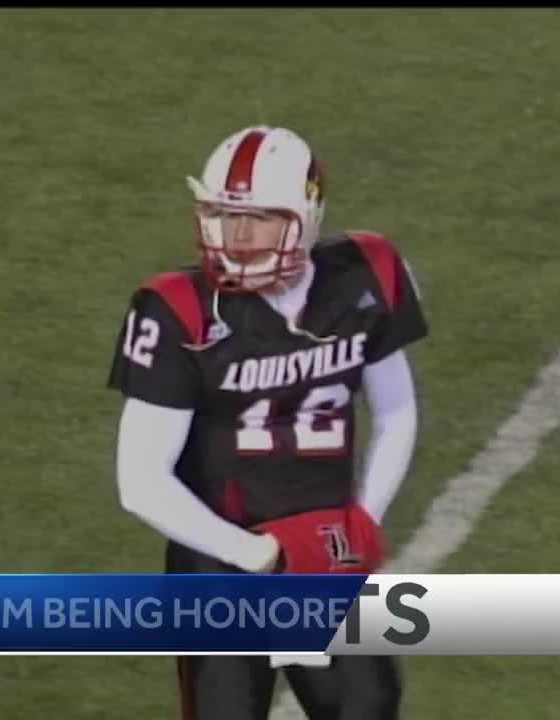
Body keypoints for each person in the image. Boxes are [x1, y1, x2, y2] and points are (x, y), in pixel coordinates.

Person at [108, 125, 427, 720]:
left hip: (323, 545)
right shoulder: (179, 311)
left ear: (305, 218)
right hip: (220, 558)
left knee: (367, 707)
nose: (239, 235)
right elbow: (140, 480)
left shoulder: (362, 277)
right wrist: (254, 555)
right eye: (226, 216)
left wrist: (362, 520)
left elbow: (397, 410)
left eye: (259, 218)